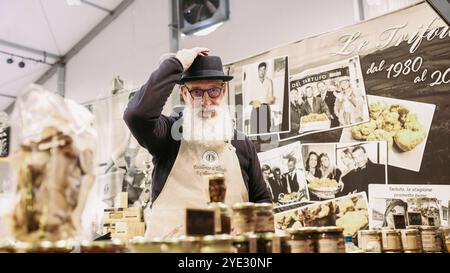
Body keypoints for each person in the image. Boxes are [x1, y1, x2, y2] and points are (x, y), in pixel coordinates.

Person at [123, 47, 271, 239]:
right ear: (184, 93)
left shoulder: (242, 144)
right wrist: (176, 65)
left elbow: (261, 201)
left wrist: (249, 229)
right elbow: (136, 115)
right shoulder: (168, 135)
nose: (206, 101)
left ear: (223, 91)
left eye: (213, 90)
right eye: (197, 92)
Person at [249, 62, 274, 135]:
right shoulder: (253, 82)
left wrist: (268, 101)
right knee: (255, 129)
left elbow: (270, 97)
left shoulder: (269, 82)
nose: (262, 72)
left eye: (264, 70)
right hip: (255, 107)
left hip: (265, 107)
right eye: (260, 70)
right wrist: (256, 103)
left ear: (265, 70)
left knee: (265, 130)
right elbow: (250, 99)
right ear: (258, 70)